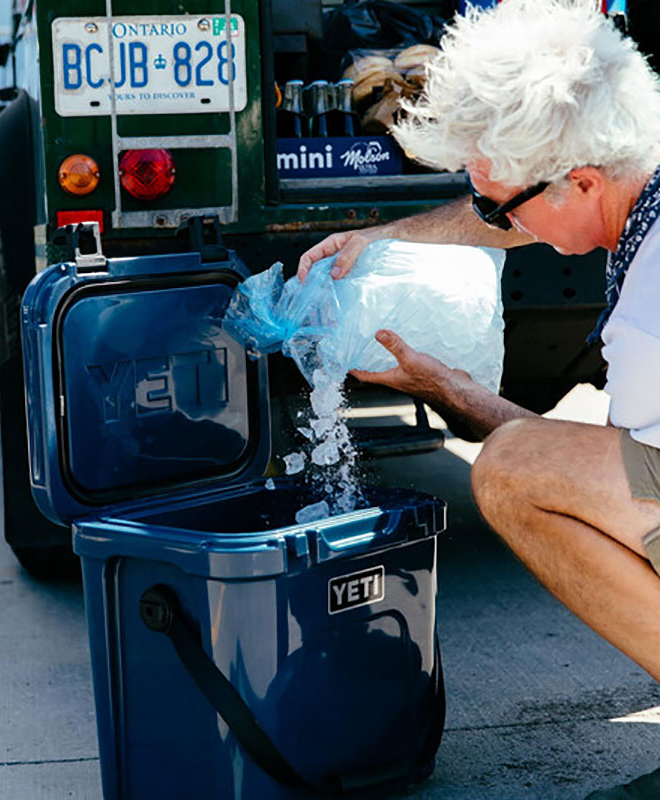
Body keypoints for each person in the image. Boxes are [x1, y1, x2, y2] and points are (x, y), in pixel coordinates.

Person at [297, 2, 660, 798]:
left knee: (512, 471)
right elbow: (622, 476)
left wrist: (457, 396)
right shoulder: (639, 191)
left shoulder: (650, 307)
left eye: (502, 207)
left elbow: (634, 501)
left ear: (584, 181)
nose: (495, 222)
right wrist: (385, 240)